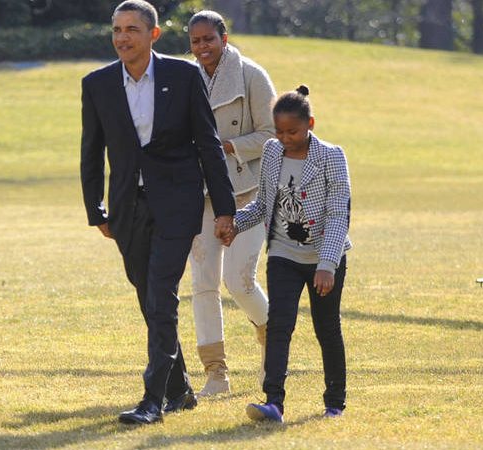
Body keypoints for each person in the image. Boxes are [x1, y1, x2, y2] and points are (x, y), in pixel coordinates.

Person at [80, 0, 236, 425]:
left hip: (176, 204)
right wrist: (96, 209)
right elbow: (91, 152)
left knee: (161, 294)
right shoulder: (96, 84)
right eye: (116, 30)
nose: (121, 38)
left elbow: (207, 144)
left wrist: (224, 209)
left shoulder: (183, 76)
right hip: (126, 208)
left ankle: (153, 399)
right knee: (147, 297)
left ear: (153, 34)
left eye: (131, 29)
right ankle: (180, 388)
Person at [223, 86, 352, 422]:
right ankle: (274, 403)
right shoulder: (271, 152)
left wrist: (327, 264)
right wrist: (236, 223)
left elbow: (339, 214)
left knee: (327, 328)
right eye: (279, 131)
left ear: (310, 123)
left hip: (324, 255)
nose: (284, 138)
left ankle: (334, 403)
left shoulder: (332, 157)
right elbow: (265, 204)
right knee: (279, 325)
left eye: (292, 131)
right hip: (283, 252)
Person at [186, 10, 276, 396]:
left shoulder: (251, 74)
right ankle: (215, 373)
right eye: (195, 41)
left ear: (224, 37)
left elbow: (273, 134)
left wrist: (227, 146)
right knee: (203, 284)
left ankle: (273, 340)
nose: (203, 47)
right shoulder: (185, 78)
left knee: (239, 280)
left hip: (249, 192)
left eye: (209, 39)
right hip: (199, 193)